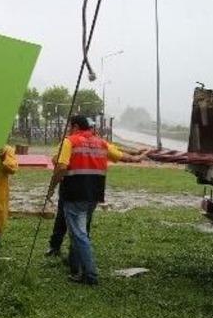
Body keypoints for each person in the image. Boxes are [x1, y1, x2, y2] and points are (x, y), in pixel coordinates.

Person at [46, 115, 147, 285]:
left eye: (70, 126)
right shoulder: (101, 143)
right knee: (79, 231)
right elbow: (124, 157)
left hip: (74, 193)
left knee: (79, 234)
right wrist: (142, 155)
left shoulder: (70, 141)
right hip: (94, 194)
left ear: (76, 126)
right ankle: (75, 267)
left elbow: (61, 166)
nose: (69, 129)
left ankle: (90, 274)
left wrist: (50, 189)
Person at [45, 144, 148, 257]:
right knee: (77, 222)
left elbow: (116, 150)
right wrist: (138, 155)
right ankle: (67, 252)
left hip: (75, 186)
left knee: (68, 219)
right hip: (88, 187)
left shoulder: (75, 141)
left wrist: (136, 152)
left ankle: (71, 255)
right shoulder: (79, 141)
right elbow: (119, 153)